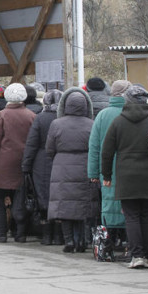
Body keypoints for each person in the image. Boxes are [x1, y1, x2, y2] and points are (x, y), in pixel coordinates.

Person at [101, 85, 148, 269]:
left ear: (127, 101)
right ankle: (146, 255)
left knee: (131, 216)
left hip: (126, 177)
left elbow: (107, 151)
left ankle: (136, 255)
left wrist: (106, 175)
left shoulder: (118, 122)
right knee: (146, 216)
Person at [0, 83, 36, 242]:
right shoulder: (31, 116)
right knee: (20, 198)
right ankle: (20, 234)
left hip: (2, 164)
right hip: (23, 163)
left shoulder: (1, 115)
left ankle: (0, 232)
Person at [46, 87, 96, 253]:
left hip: (62, 165)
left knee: (64, 206)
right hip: (84, 165)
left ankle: (68, 241)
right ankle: (81, 241)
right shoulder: (91, 124)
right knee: (82, 206)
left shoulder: (56, 124)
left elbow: (49, 149)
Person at [87, 80, 130, 242]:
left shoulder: (103, 115)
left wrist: (92, 173)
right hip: (128, 168)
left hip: (107, 169)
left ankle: (110, 241)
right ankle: (128, 240)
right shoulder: (132, 112)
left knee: (109, 203)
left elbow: (94, 146)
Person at [22, 89, 63, 245]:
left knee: (43, 197)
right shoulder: (63, 117)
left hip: (41, 161)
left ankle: (46, 236)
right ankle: (59, 236)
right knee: (59, 196)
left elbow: (31, 144)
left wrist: (26, 165)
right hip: (60, 160)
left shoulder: (40, 118)